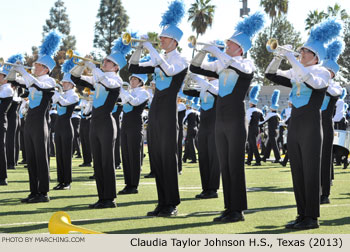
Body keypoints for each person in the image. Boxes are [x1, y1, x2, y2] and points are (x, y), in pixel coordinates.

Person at [265, 18, 341, 229]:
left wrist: (293, 60)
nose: (301, 54)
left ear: (315, 57)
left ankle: (312, 217)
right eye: (300, 51)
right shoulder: (297, 71)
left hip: (311, 125)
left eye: (305, 51)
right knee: (297, 170)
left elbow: (314, 83)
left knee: (310, 170)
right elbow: (270, 74)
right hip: (296, 125)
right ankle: (301, 214)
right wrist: (280, 57)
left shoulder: (322, 72)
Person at [190, 12, 265, 222]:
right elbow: (194, 67)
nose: (226, 46)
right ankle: (228, 207)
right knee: (224, 165)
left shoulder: (246, 64)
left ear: (240, 48)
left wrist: (217, 52)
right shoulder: (221, 64)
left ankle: (238, 209)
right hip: (220, 120)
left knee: (235, 165)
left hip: (235, 119)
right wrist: (204, 51)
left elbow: (238, 68)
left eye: (230, 44)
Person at [128, 0, 187, 217]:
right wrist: (138, 47)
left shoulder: (180, 59)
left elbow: (170, 71)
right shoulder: (157, 59)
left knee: (168, 156)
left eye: (163, 38)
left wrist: (152, 50)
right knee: (157, 157)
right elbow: (133, 67)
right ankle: (162, 202)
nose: (160, 40)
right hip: (155, 110)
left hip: (169, 110)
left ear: (174, 41)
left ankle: (172, 202)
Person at [70, 38, 130, 208]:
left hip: (106, 122)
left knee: (106, 161)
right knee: (97, 162)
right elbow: (75, 77)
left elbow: (108, 84)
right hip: (94, 122)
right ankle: (101, 197)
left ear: (116, 67)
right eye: (104, 60)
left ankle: (110, 198)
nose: (104, 62)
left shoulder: (116, 80)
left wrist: (94, 68)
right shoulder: (99, 78)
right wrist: (82, 64)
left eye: (108, 62)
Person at [11, 31, 61, 202]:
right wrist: (13, 68)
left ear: (46, 68)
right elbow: (15, 80)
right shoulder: (33, 80)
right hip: (30, 122)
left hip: (41, 123)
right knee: (31, 158)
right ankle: (34, 191)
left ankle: (43, 192)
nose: (34, 67)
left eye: (38, 65)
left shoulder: (49, 81)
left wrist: (23, 72)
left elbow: (36, 84)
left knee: (41, 157)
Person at [185, 71, 221, 199]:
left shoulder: (219, 85)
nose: (206, 74)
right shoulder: (205, 87)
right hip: (204, 126)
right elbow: (187, 91)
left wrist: (199, 79)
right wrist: (188, 79)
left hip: (215, 125)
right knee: (204, 157)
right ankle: (205, 188)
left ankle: (213, 188)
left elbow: (215, 92)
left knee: (214, 157)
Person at [320, 40, 344, 204]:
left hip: (326, 126)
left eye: (327, 71)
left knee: (325, 159)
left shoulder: (336, 88)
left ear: (333, 74)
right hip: (312, 124)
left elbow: (330, 90)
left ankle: (325, 194)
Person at [118, 74, 149, 194]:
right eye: (131, 78)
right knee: (125, 155)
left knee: (134, 155)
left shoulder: (143, 93)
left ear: (141, 82)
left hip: (135, 125)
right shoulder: (129, 92)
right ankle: (128, 183)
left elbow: (135, 103)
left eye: (135, 79)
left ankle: (134, 185)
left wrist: (122, 90)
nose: (131, 81)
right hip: (125, 124)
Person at [51, 58, 79, 190]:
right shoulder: (62, 94)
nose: (63, 84)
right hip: (59, 126)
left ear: (72, 84)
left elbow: (63, 103)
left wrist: (57, 94)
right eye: (63, 82)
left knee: (66, 156)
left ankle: (67, 182)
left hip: (67, 127)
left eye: (67, 83)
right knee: (59, 156)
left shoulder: (74, 96)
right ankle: (60, 181)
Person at [0, 55, 18, 185]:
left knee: (1, 149)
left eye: (1, 75)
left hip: (1, 122)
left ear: (6, 78)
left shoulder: (7, 89)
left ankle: (2, 177)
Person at [261, 90, 281, 163]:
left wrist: (258, 123)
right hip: (275, 131)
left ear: (272, 108)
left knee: (274, 145)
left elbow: (263, 121)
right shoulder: (278, 115)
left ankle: (278, 158)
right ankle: (265, 157)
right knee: (269, 144)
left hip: (271, 131)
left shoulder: (270, 114)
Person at [246, 85, 264, 166]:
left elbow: (247, 120)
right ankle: (249, 160)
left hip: (251, 128)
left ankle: (258, 160)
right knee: (251, 144)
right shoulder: (260, 110)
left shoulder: (249, 110)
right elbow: (262, 121)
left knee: (253, 144)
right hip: (257, 129)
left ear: (251, 103)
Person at [79, 89, 93, 168]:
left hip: (89, 119)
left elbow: (89, 108)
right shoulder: (83, 100)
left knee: (88, 141)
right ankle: (86, 160)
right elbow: (81, 107)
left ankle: (90, 160)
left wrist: (87, 98)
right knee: (83, 140)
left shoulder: (91, 97)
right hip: (82, 119)